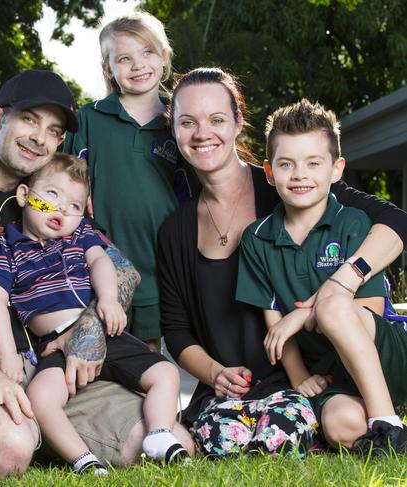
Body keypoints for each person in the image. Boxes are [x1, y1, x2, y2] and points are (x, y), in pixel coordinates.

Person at [0, 70, 194, 477]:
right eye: (30, 120)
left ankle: (42, 433)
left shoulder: (54, 198)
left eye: (53, 130)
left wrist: (87, 331)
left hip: (49, 363)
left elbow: (122, 272)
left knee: (166, 440)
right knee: (8, 450)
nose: (40, 137)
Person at [157, 67, 407, 456]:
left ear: (239, 123)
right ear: (171, 129)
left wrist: (334, 288)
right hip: (262, 385)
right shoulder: (180, 229)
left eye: (217, 119)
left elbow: (395, 222)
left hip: (329, 365)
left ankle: (385, 422)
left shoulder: (296, 187)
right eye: (188, 122)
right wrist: (216, 374)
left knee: (337, 401)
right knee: (335, 425)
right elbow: (176, 330)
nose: (203, 132)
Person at [0, 154, 189, 474]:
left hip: (105, 329)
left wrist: (107, 299)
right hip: (54, 343)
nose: (62, 209)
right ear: (23, 195)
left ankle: (159, 434)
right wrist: (7, 354)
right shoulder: (8, 248)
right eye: (52, 195)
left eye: (75, 206)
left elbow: (102, 262)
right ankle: (82, 458)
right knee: (40, 396)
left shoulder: (79, 236)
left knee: (165, 373)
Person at [237, 99, 407, 456]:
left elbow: (368, 309)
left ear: (336, 169)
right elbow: (275, 327)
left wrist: (301, 314)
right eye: (287, 164)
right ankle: (381, 422)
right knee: (338, 425)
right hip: (335, 375)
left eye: (314, 163)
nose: (300, 174)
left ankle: (387, 424)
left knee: (334, 304)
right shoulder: (257, 238)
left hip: (384, 353)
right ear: (269, 172)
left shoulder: (353, 222)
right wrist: (301, 378)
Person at [64, 13, 191, 351]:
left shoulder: (179, 123)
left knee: (146, 358)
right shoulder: (88, 119)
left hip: (156, 265)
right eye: (124, 58)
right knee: (92, 356)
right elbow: (62, 180)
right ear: (109, 69)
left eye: (147, 52)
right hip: (96, 260)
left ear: (163, 56)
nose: (138, 65)